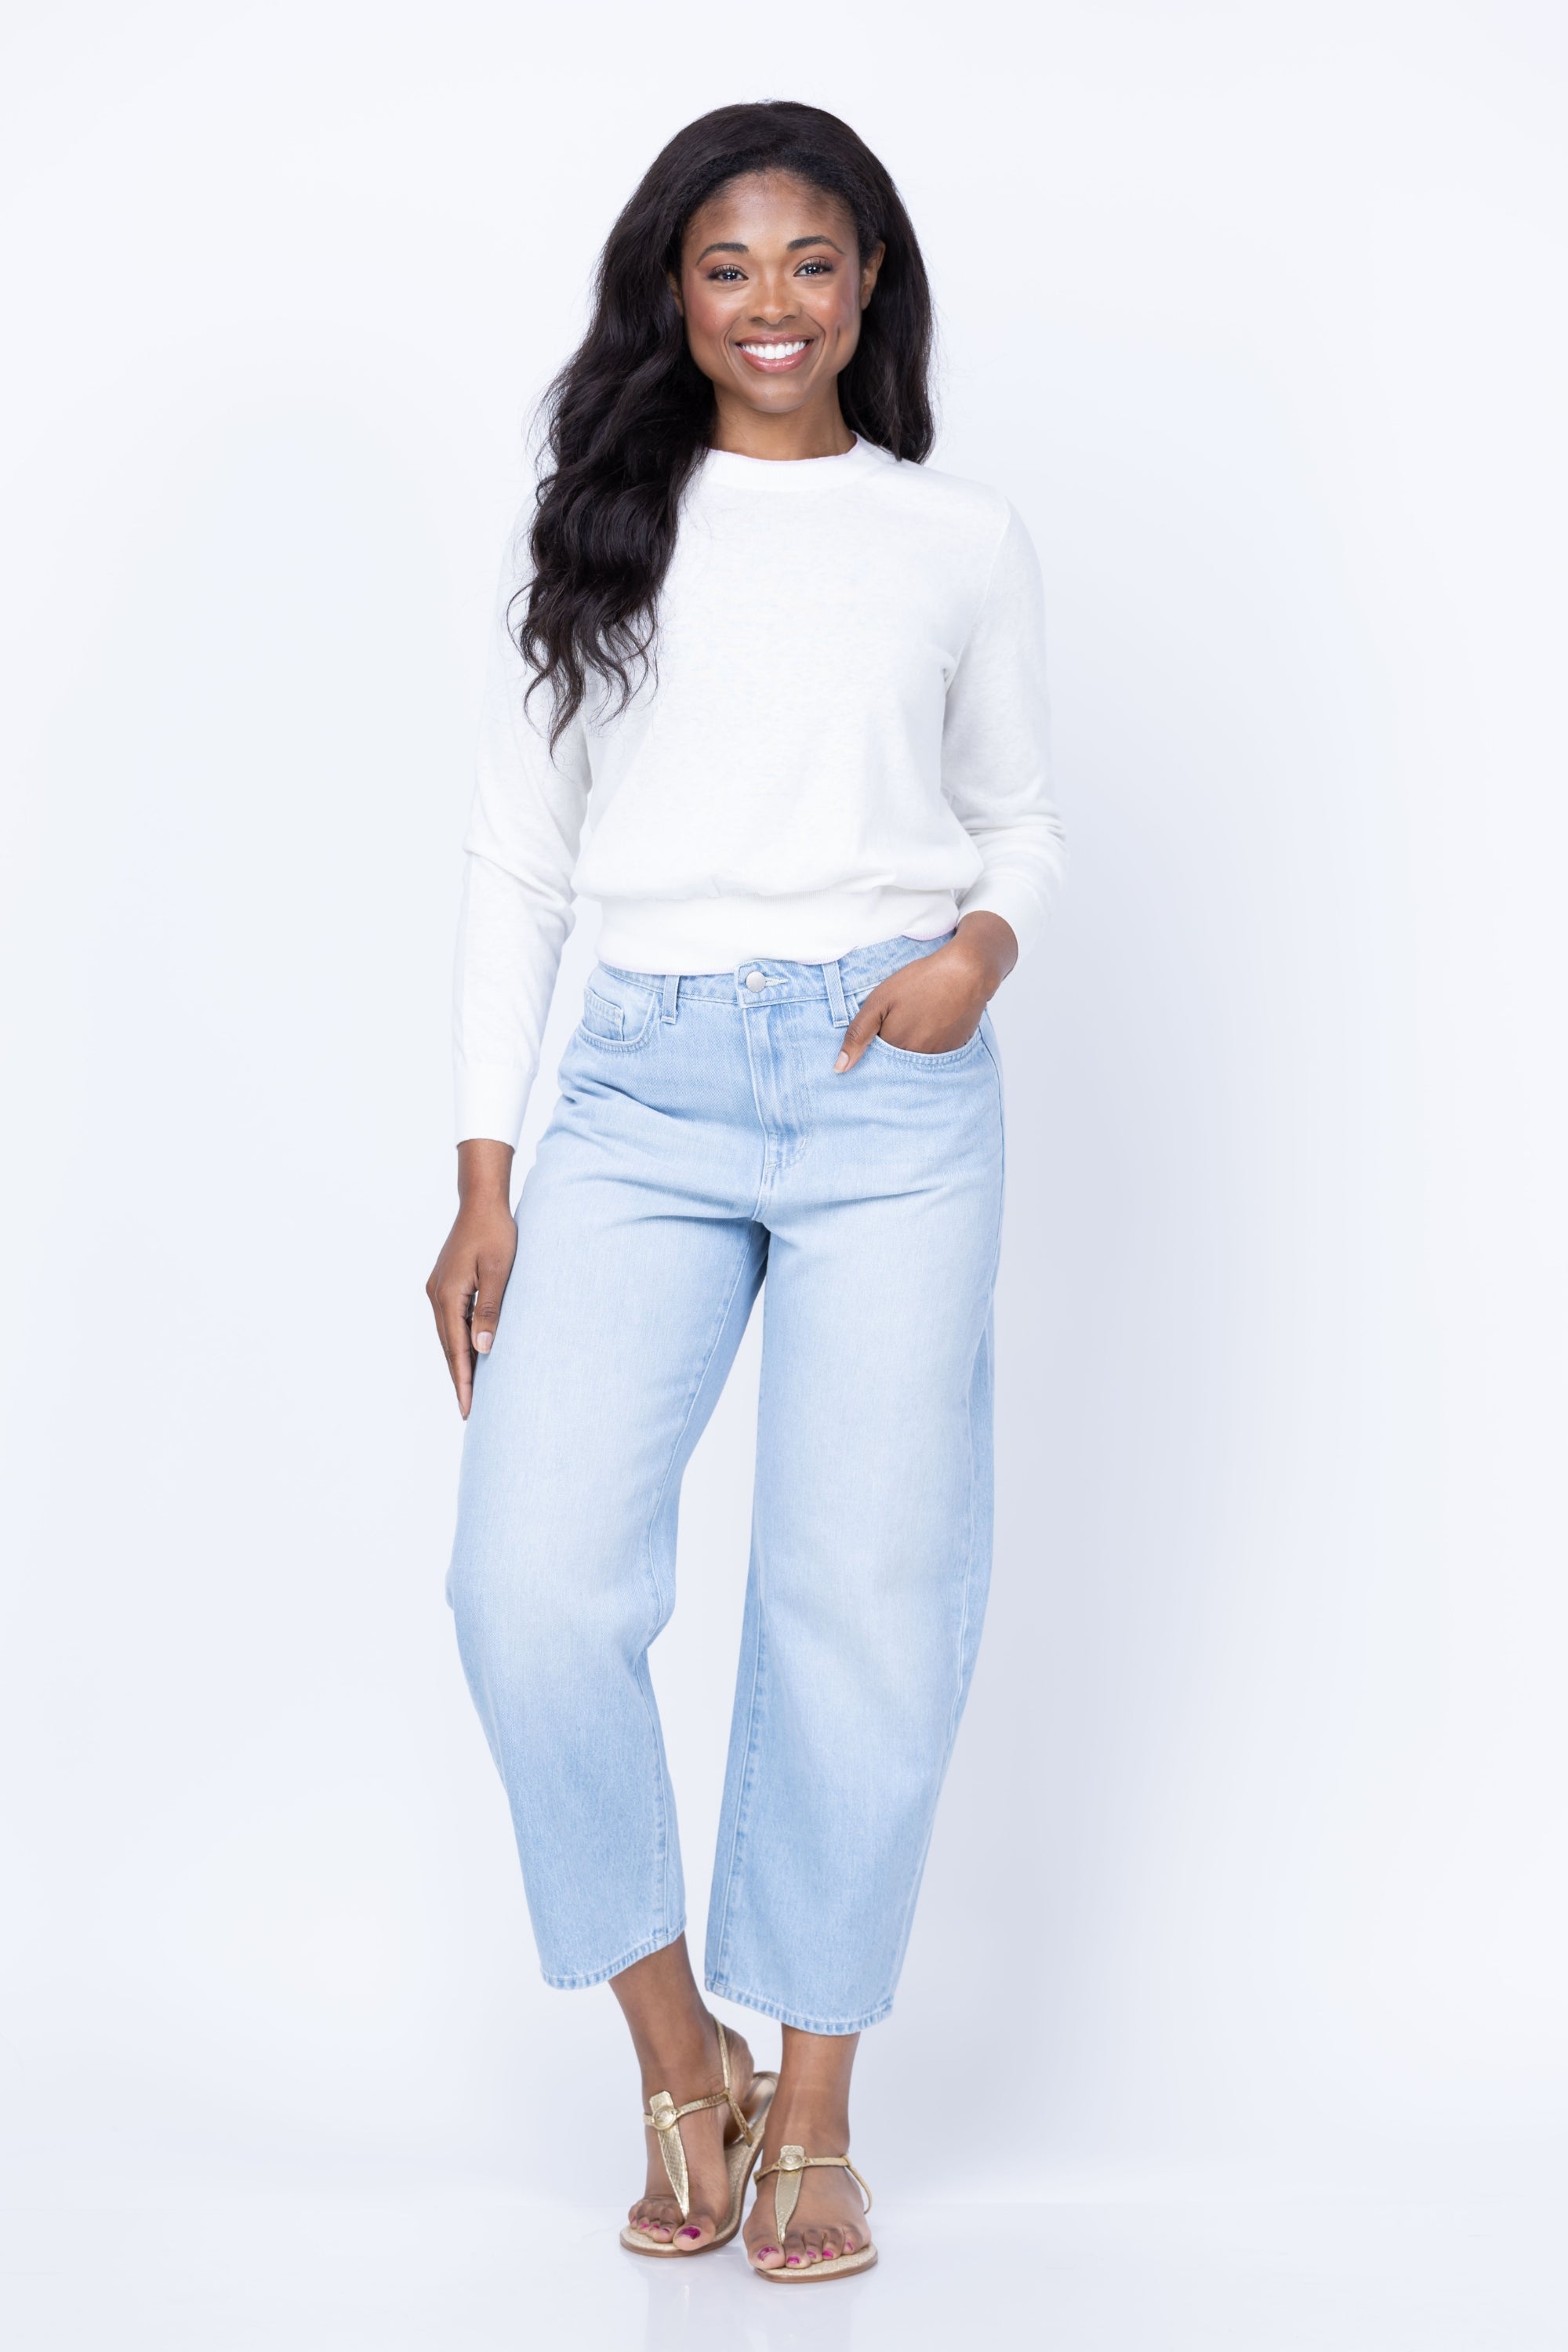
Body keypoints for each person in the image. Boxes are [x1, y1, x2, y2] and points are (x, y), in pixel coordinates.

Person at [426, 99, 1061, 2281]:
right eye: (728, 266)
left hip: (896, 1086)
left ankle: (813, 2108)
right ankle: (672, 2048)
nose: (771, 303)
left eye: (811, 261)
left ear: (868, 285)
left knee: (860, 1597)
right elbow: (517, 861)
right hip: (643, 1088)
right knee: (526, 1586)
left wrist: (976, 957)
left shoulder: (956, 537)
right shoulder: (600, 529)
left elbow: (1019, 821)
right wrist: (486, 1175)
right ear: (672, 295)